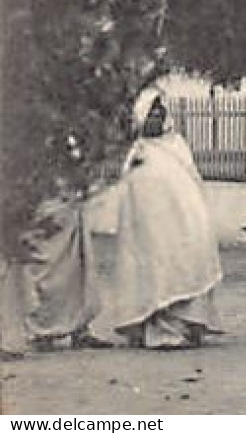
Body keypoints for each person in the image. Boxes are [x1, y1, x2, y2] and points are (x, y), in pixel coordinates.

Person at [104, 86, 223, 349]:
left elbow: (192, 184)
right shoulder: (137, 152)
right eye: (151, 115)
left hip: (184, 226)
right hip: (150, 230)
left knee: (187, 266)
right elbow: (133, 193)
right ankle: (157, 330)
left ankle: (187, 325)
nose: (156, 120)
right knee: (157, 274)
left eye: (160, 115)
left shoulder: (177, 146)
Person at [0, 136, 112, 358]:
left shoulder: (75, 133)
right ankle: (43, 331)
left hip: (70, 209)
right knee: (47, 271)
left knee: (78, 269)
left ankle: (79, 328)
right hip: (46, 210)